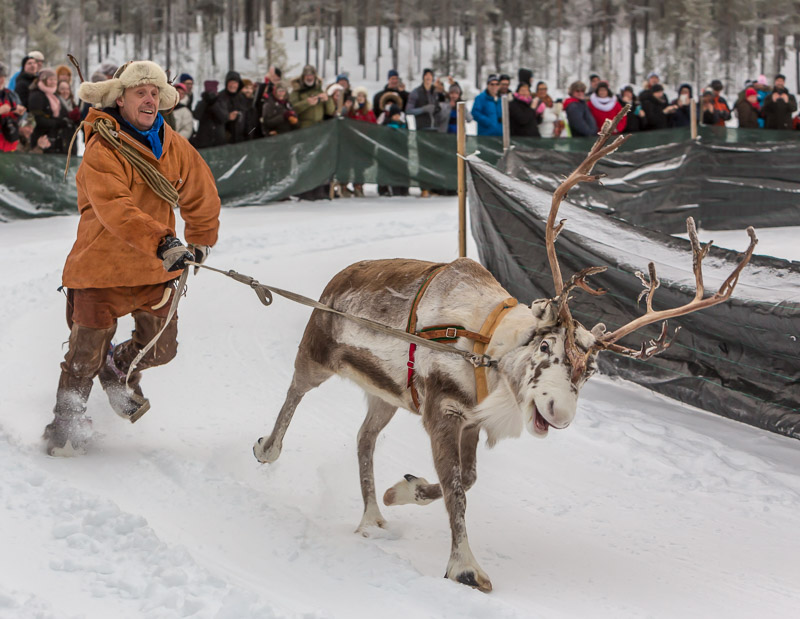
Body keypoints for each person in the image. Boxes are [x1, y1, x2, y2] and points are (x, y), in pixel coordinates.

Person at [45, 60, 221, 456]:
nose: (149, 99)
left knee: (161, 349)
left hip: (155, 267)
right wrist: (163, 241)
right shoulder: (102, 147)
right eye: (140, 92)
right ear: (120, 99)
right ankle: (66, 427)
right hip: (100, 266)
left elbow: (201, 193)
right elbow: (114, 206)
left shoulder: (174, 145)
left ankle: (118, 368)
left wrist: (201, 240)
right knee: (83, 358)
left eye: (155, 92)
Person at [28, 68, 75, 154]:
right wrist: (58, 122)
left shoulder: (54, 95)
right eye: (50, 79)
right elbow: (38, 119)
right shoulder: (37, 95)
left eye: (55, 80)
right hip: (41, 138)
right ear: (43, 80)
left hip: (55, 137)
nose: (53, 82)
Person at [289, 64, 335, 129]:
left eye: (311, 75)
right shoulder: (296, 91)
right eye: (307, 75)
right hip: (303, 128)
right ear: (303, 76)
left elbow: (330, 111)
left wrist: (328, 100)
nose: (309, 78)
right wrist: (306, 103)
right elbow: (291, 110)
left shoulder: (320, 89)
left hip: (320, 127)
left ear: (315, 76)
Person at [212, 71, 248, 144]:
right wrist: (227, 116)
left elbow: (247, 117)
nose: (233, 85)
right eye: (230, 82)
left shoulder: (242, 97)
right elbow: (215, 117)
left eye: (235, 83)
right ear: (226, 83)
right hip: (224, 139)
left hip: (240, 139)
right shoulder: (220, 97)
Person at [0, 62, 26, 152]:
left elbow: (21, 120)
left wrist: (20, 112)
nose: (1, 80)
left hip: (10, 145)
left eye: (3, 76)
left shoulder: (11, 95)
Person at [192, 80, 226, 148]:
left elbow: (224, 118)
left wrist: (214, 104)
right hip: (203, 140)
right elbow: (196, 115)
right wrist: (205, 101)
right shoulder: (201, 103)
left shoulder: (221, 103)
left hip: (218, 140)